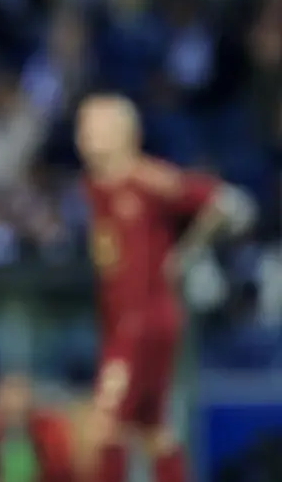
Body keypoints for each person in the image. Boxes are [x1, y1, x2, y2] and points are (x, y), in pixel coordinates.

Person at [75, 94, 257, 482]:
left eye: (92, 125)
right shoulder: (94, 185)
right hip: (118, 320)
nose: (83, 135)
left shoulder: (150, 180)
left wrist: (188, 251)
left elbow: (230, 204)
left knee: (101, 428)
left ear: (124, 132)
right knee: (154, 431)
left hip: (142, 322)